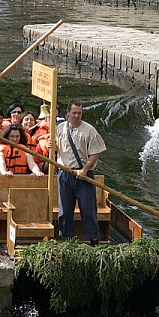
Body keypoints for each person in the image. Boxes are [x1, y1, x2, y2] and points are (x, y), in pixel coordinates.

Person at [54, 100, 106, 244]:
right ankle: (68, 239)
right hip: (65, 173)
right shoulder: (59, 129)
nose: (77, 116)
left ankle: (93, 239)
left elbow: (95, 153)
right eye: (74, 113)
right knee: (65, 209)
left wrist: (85, 170)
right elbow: (56, 148)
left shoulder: (89, 131)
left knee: (88, 208)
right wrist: (51, 145)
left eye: (79, 113)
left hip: (83, 175)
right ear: (68, 113)